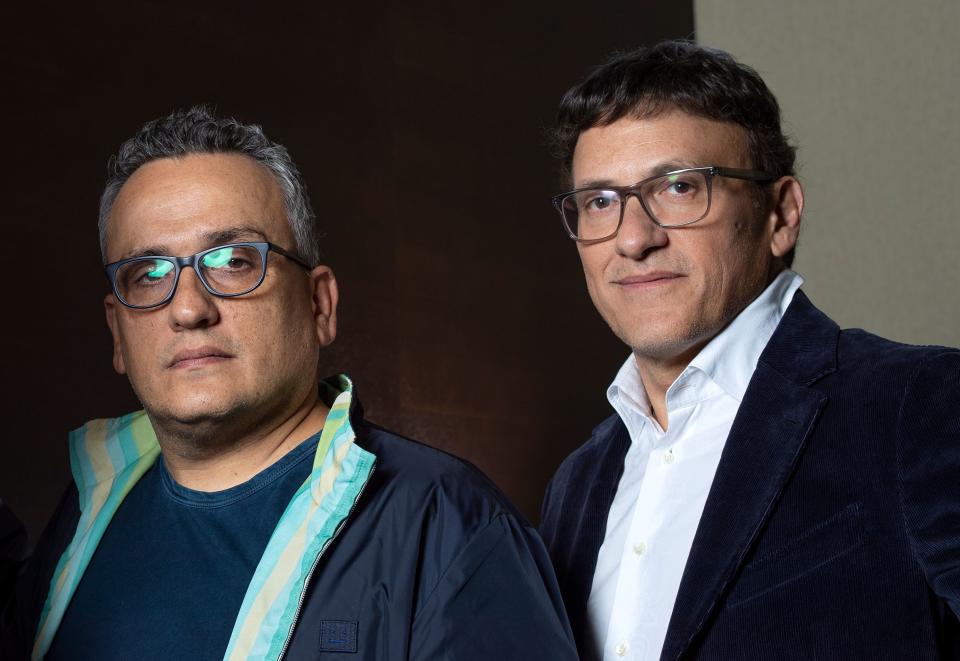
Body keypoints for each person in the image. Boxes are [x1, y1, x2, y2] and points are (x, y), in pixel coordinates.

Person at [2, 107, 577, 661]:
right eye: (149, 274)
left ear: (319, 304)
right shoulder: (84, 515)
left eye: (233, 260)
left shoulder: (449, 525)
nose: (188, 309)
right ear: (118, 335)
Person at [539, 40, 960, 661]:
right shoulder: (576, 484)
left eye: (679, 187)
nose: (632, 238)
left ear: (781, 214)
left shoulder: (921, 405)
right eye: (600, 202)